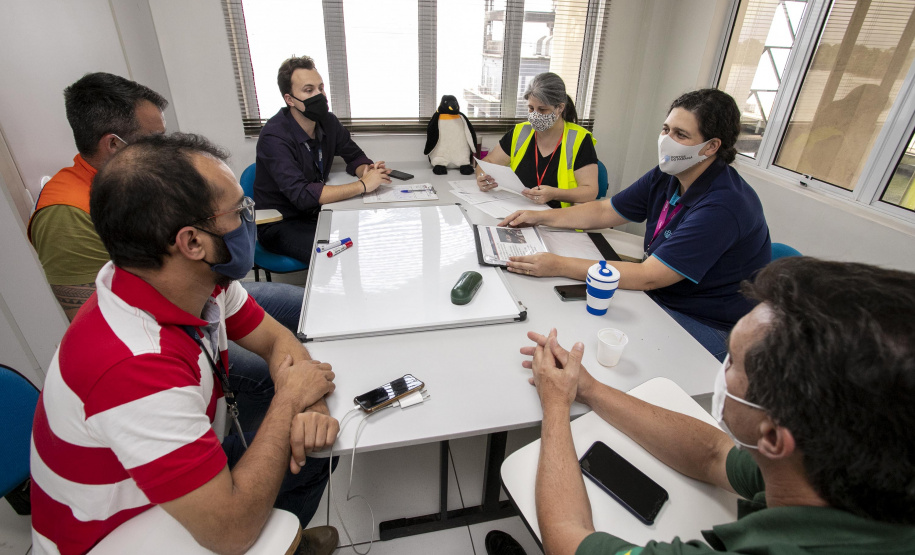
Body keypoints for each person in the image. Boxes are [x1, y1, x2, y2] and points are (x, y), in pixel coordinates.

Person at [30, 133, 340, 555]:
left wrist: (311, 405)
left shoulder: (184, 280)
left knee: (320, 443)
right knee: (260, 502)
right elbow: (229, 533)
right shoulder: (133, 367)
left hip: (163, 485)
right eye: (239, 210)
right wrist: (290, 401)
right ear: (192, 241)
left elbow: (275, 339)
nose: (249, 217)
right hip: (118, 535)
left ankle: (290, 539)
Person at [500, 257, 915, 554]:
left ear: (772, 436)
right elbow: (717, 455)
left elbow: (569, 539)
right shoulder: (836, 461)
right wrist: (587, 389)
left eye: (730, 361)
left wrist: (555, 406)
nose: (723, 367)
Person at [29, 72, 303, 430]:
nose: (169, 149)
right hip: (167, 328)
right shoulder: (65, 212)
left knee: (301, 308)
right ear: (114, 145)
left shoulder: (158, 188)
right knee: (266, 381)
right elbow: (94, 315)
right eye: (156, 139)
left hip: (196, 293)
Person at [500, 89, 771, 360]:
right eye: (666, 129)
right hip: (662, 296)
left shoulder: (724, 206)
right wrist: (540, 216)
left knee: (598, 352)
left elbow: (649, 276)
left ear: (711, 146)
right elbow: (607, 211)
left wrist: (556, 264)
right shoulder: (669, 175)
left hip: (707, 322)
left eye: (681, 134)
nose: (667, 140)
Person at [254, 55, 391, 263]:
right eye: (309, 90)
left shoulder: (327, 121)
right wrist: (362, 185)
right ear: (289, 99)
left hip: (317, 212)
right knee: (336, 254)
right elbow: (301, 195)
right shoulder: (274, 137)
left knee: (371, 234)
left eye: (321, 88)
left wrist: (366, 171)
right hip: (282, 222)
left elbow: (354, 155)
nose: (319, 95)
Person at [476, 72, 599, 208]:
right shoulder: (520, 132)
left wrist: (555, 193)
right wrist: (482, 177)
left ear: (560, 108)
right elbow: (488, 163)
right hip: (517, 210)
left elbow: (590, 191)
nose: (535, 115)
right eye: (531, 108)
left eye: (542, 109)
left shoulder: (579, 139)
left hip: (558, 217)